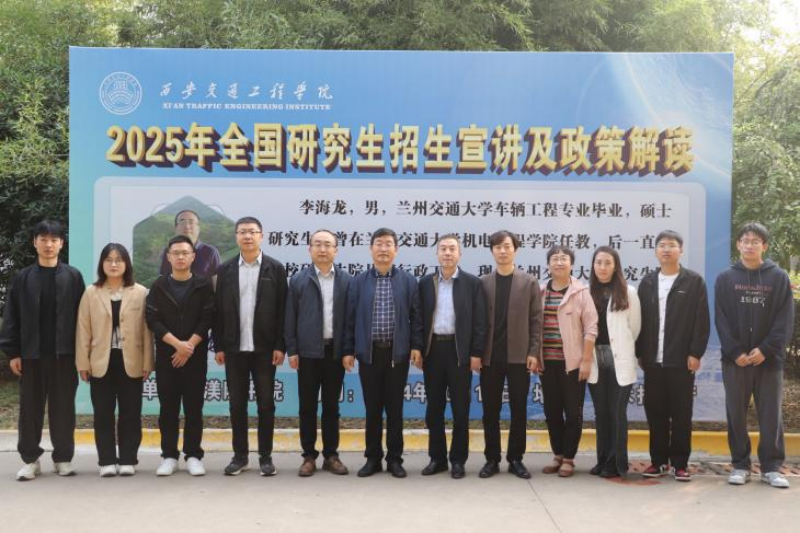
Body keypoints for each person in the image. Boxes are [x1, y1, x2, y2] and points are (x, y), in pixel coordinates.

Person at [0, 220, 85, 481]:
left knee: (63, 409)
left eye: (54, 240)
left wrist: (83, 354)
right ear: (34, 242)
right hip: (31, 356)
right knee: (30, 410)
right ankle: (30, 460)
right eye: (43, 239)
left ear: (61, 243)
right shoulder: (23, 278)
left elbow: (83, 319)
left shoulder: (73, 276)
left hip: (65, 356)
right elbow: (11, 316)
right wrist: (13, 352)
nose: (49, 244)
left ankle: (63, 458)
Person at [715, 222, 794, 489]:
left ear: (765, 246)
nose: (750, 245)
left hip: (768, 361)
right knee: (736, 414)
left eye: (755, 241)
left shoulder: (778, 277)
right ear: (738, 244)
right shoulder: (726, 278)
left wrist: (766, 349)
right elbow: (721, 319)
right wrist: (734, 351)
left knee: (771, 414)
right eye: (745, 241)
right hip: (735, 361)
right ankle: (740, 465)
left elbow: (784, 319)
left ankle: (771, 468)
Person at [342, 228, 423, 478]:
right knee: (373, 409)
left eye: (388, 244)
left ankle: (395, 459)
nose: (383, 249)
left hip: (397, 355)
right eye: (379, 243)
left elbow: (417, 318)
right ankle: (373, 458)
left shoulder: (408, 281)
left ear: (396, 250)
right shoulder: (359, 282)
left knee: (395, 409)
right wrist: (348, 350)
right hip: (369, 355)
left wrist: (416, 346)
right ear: (371, 249)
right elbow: (350, 319)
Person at [214, 217, 287, 476]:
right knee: (237, 405)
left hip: (265, 349)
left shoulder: (275, 268)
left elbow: (283, 310)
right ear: (236, 236)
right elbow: (217, 311)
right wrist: (219, 345)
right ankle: (240, 456)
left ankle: (265, 457)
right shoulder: (225, 270)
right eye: (243, 232)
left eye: (252, 232)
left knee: (266, 404)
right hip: (234, 348)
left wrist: (280, 345)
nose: (247, 236)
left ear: (261, 236)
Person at [636, 230, 710, 482]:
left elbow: (701, 321)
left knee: (681, 414)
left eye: (671, 245)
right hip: (652, 362)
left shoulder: (693, 281)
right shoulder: (647, 282)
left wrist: (695, 352)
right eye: (662, 245)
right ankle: (658, 462)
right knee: (655, 413)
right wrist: (640, 353)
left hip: (681, 360)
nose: (666, 249)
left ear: (681, 250)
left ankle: (680, 464)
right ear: (655, 251)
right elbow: (640, 321)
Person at [76, 243, 153, 477]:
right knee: (103, 413)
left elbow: (147, 331)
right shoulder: (91, 292)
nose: (113, 264)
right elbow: (83, 329)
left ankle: (128, 459)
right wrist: (83, 363)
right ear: (102, 264)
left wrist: (148, 362)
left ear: (126, 264)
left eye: (119, 259)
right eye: (108, 260)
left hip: (131, 360)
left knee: (131, 412)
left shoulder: (140, 292)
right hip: (101, 361)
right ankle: (106, 460)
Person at [418, 234, 487, 479]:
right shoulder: (425, 283)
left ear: (460, 254)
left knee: (460, 409)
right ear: (437, 253)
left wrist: (476, 353)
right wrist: (418, 348)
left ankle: (458, 460)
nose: (447, 253)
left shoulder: (472, 283)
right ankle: (437, 459)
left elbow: (480, 321)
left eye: (452, 249)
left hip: (460, 354)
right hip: (433, 352)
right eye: (443, 249)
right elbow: (418, 319)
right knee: (434, 410)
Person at [146, 235, 215, 476]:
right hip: (167, 358)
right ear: (168, 257)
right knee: (168, 409)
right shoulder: (159, 286)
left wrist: (189, 347)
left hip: (195, 358)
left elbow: (208, 317)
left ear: (193, 256)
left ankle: (193, 455)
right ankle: (169, 456)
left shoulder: (203, 285)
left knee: (194, 409)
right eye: (176, 253)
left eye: (185, 253)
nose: (180, 257)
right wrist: (177, 345)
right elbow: (152, 319)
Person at [284, 229, 352, 476]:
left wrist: (348, 350)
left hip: (335, 353)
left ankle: (331, 456)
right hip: (307, 353)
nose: (323, 249)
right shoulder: (298, 280)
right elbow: (290, 317)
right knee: (307, 407)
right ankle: (309, 456)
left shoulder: (347, 281)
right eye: (318, 244)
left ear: (336, 250)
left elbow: (350, 319)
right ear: (309, 249)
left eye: (327, 245)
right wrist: (292, 350)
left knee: (332, 406)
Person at [479, 230, 543, 479]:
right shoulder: (484, 282)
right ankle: (491, 459)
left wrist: (534, 351)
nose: (503, 251)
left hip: (519, 357)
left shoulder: (529, 282)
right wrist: (476, 353)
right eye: (497, 247)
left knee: (519, 410)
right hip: (490, 357)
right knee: (490, 411)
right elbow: (478, 322)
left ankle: (516, 459)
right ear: (492, 251)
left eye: (507, 246)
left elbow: (536, 320)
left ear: (515, 249)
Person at [539, 245, 598, 478]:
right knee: (552, 412)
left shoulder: (581, 292)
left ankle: (569, 458)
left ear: (571, 264)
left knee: (573, 413)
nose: (559, 262)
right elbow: (533, 327)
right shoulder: (541, 291)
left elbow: (591, 327)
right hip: (547, 363)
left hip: (573, 364)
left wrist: (586, 360)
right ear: (548, 265)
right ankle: (558, 455)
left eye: (564, 259)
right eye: (555, 259)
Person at [587, 246, 641, 479]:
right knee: (601, 413)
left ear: (615, 266)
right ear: (593, 266)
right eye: (598, 262)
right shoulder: (586, 292)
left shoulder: (628, 292)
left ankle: (616, 463)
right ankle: (602, 460)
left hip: (620, 359)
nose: (602, 267)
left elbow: (635, 328)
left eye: (607, 263)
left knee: (616, 413)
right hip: (595, 359)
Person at [158, 209, 221, 279]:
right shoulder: (168, 251)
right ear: (176, 228)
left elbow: (217, 281)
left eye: (191, 222)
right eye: (182, 222)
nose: (187, 227)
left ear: (198, 228)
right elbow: (163, 279)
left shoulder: (210, 252)